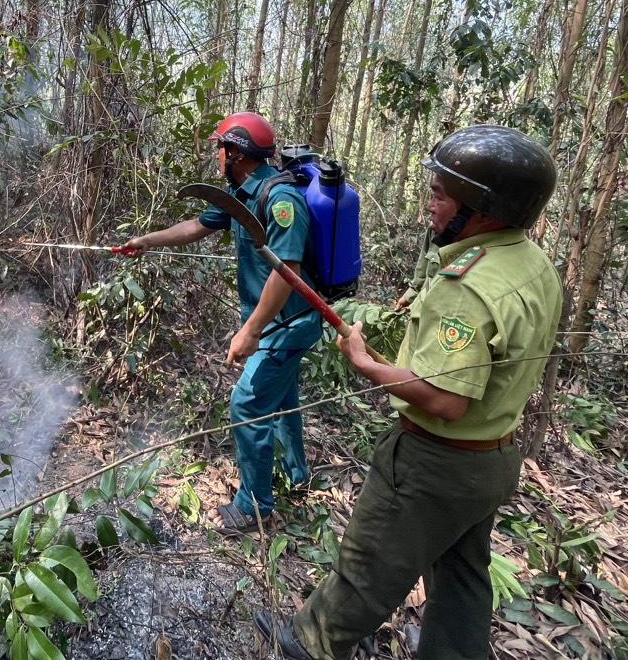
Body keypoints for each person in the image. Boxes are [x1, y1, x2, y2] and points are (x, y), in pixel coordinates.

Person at [254, 124, 563, 660]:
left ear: (482, 208)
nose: (430, 205)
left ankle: (310, 643)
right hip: (491, 460)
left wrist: (366, 363)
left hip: (435, 463)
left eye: (441, 195)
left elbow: (446, 399)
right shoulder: (532, 264)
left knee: (367, 563)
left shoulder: (466, 288)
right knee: (463, 576)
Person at [122, 111, 322, 535]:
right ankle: (297, 472)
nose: (217, 155)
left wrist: (250, 331)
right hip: (278, 325)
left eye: (220, 147)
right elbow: (197, 224)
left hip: (286, 325)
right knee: (282, 397)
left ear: (235, 152)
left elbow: (286, 270)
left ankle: (255, 506)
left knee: (248, 404)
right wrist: (146, 240)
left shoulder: (281, 200)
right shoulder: (239, 194)